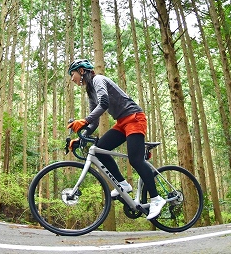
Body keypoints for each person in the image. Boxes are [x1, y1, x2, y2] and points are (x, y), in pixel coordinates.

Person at [67, 58, 167, 220]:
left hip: (134, 117)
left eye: (73, 74)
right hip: (122, 122)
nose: (72, 79)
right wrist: (82, 137)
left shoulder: (98, 80)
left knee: (135, 160)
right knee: (99, 150)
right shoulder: (90, 91)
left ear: (82, 71)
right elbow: (96, 121)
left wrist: (84, 121)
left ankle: (156, 199)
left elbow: (104, 103)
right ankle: (122, 184)